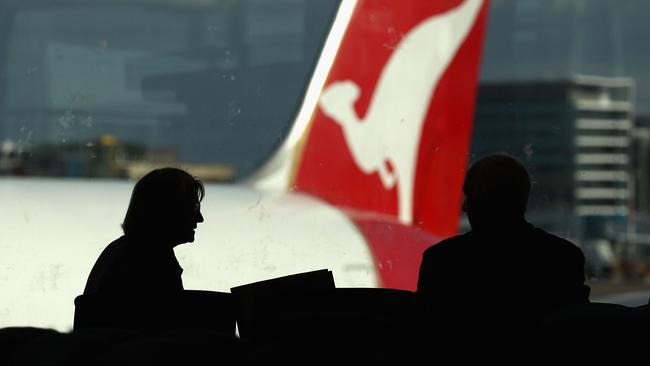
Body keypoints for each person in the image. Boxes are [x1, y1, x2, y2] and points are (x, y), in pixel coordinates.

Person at [415, 153, 589, 342]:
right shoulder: (564, 258)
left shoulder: (442, 261)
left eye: (469, 196)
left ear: (484, 202)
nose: (464, 207)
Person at [83, 167, 205, 296]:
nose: (200, 218)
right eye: (193, 207)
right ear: (167, 210)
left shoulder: (120, 251)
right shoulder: (154, 263)